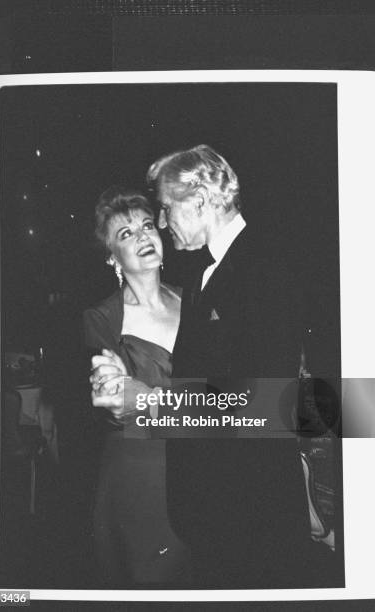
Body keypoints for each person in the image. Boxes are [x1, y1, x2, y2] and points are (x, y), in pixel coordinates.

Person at [91, 146, 339, 588]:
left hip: (249, 511)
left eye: (165, 209)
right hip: (212, 509)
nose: (163, 223)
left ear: (200, 201)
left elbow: (261, 407)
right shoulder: (207, 274)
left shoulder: (264, 268)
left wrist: (147, 402)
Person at [83, 186, 190, 587]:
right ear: (112, 256)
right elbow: (112, 403)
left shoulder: (196, 299)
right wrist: (116, 396)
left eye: (147, 226)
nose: (143, 236)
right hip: (142, 478)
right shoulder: (101, 319)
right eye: (126, 234)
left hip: (199, 466)